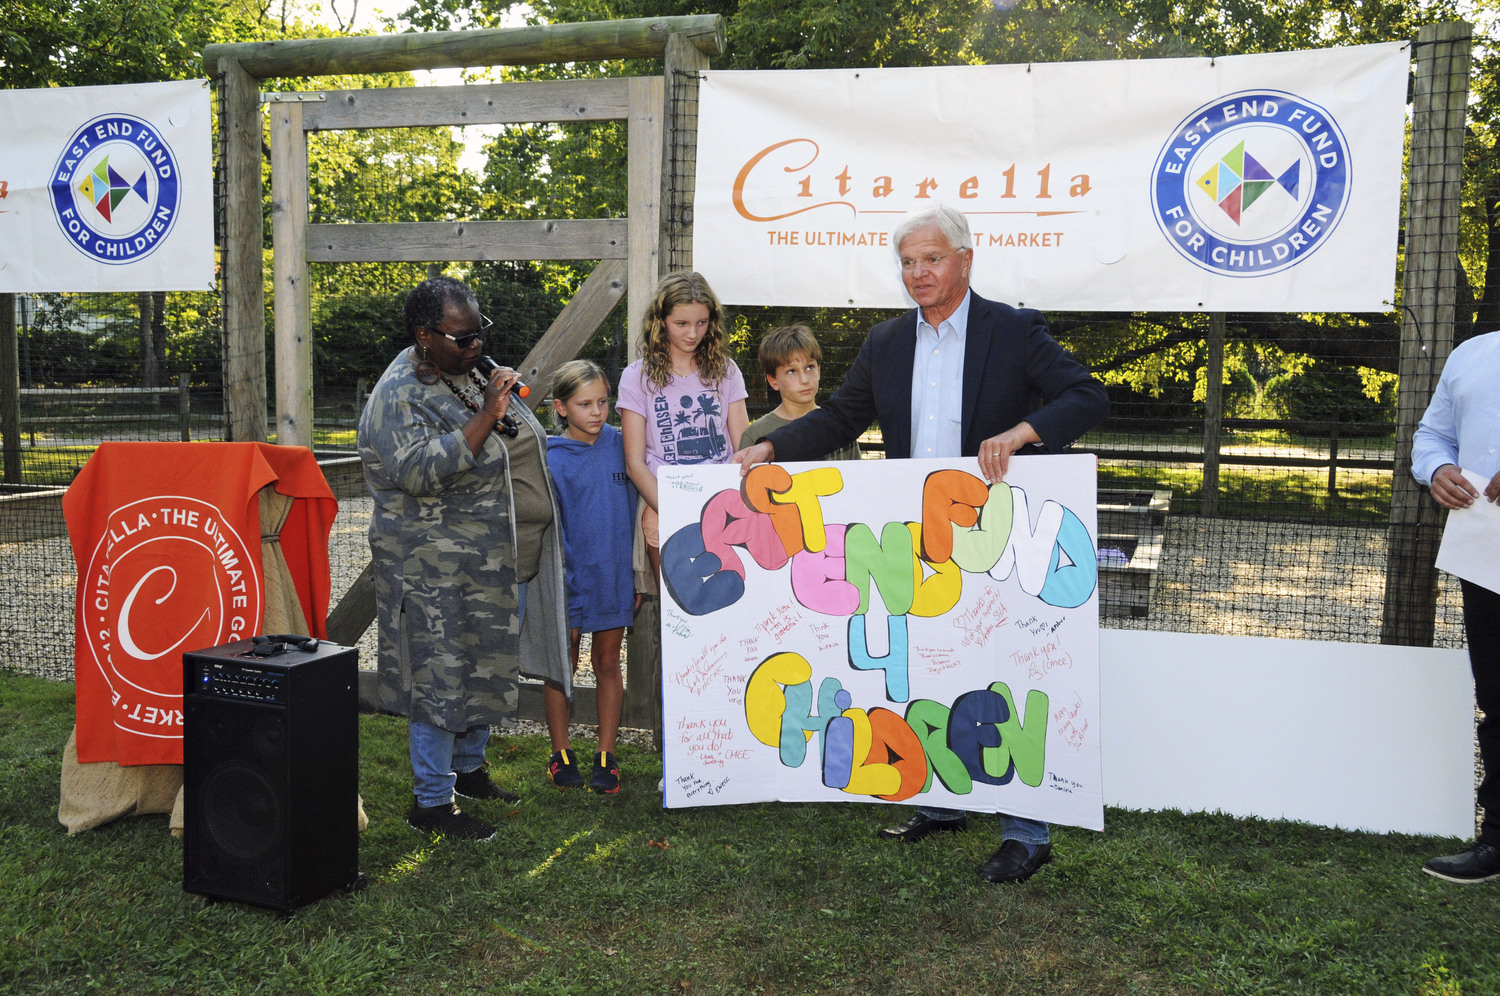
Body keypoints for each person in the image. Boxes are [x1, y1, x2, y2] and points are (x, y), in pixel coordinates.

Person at [734, 205, 1108, 883]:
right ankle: (938, 804)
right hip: (918, 535)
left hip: (995, 531)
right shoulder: (886, 341)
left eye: (932, 259)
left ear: (965, 259)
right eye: (908, 262)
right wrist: (768, 446)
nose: (919, 273)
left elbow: (1086, 395)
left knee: (1004, 668)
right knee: (934, 660)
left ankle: (1028, 833)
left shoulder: (1015, 330)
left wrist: (1022, 433)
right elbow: (843, 417)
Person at [358, 275, 570, 842]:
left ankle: (469, 769)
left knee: (486, 662)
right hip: (433, 568)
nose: (476, 344)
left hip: (495, 558)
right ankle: (431, 801)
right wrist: (486, 416)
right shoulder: (398, 393)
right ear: (425, 336)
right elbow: (417, 472)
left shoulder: (469, 370)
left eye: (481, 332)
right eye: (461, 337)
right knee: (440, 678)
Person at [1411, 329, 1500, 883]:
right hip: (1486, 551)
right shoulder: (1472, 353)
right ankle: (1498, 841)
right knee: (1497, 699)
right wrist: (1438, 469)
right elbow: (1431, 435)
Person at [544, 360, 639, 793]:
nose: (597, 412)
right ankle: (560, 755)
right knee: (561, 666)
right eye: (585, 404)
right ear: (562, 407)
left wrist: (638, 576)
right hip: (565, 582)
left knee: (607, 663)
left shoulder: (625, 446)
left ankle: (607, 755)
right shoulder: (549, 458)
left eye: (603, 401)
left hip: (614, 577)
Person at [618, 272, 751, 582]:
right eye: (682, 324)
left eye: (702, 323)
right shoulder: (637, 377)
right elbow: (634, 463)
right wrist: (674, 507)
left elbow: (743, 446)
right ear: (661, 320)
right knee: (679, 617)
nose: (693, 333)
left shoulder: (726, 371)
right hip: (664, 507)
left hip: (724, 506)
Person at [740, 324, 862, 461]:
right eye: (792, 371)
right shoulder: (755, 435)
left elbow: (856, 480)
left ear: (819, 371)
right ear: (773, 380)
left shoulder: (839, 428)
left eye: (810, 367)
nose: (804, 380)